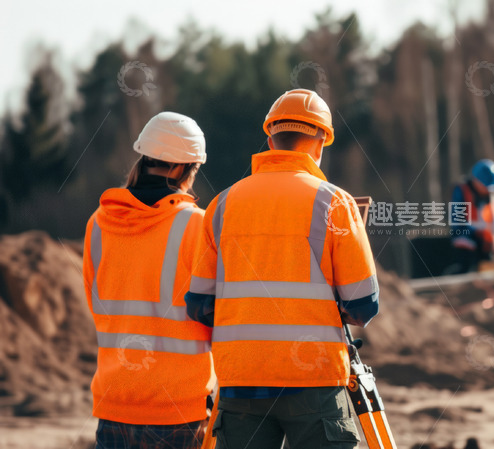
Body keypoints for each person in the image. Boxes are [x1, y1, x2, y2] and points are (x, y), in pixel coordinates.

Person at [185, 88, 379, 449]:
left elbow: (199, 304)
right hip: (315, 380)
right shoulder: (334, 202)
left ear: (270, 138)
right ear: (321, 140)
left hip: (240, 381)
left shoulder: (222, 205)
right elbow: (364, 305)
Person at [82, 112, 215, 449]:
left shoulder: (98, 223)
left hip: (115, 403)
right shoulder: (197, 225)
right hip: (177, 411)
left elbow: (95, 302)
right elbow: (216, 313)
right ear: (183, 169)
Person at [448, 159, 494, 273]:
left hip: (486, 243)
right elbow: (458, 223)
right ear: (475, 180)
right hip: (467, 239)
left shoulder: (493, 198)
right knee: (466, 255)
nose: (486, 190)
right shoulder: (461, 192)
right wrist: (477, 234)